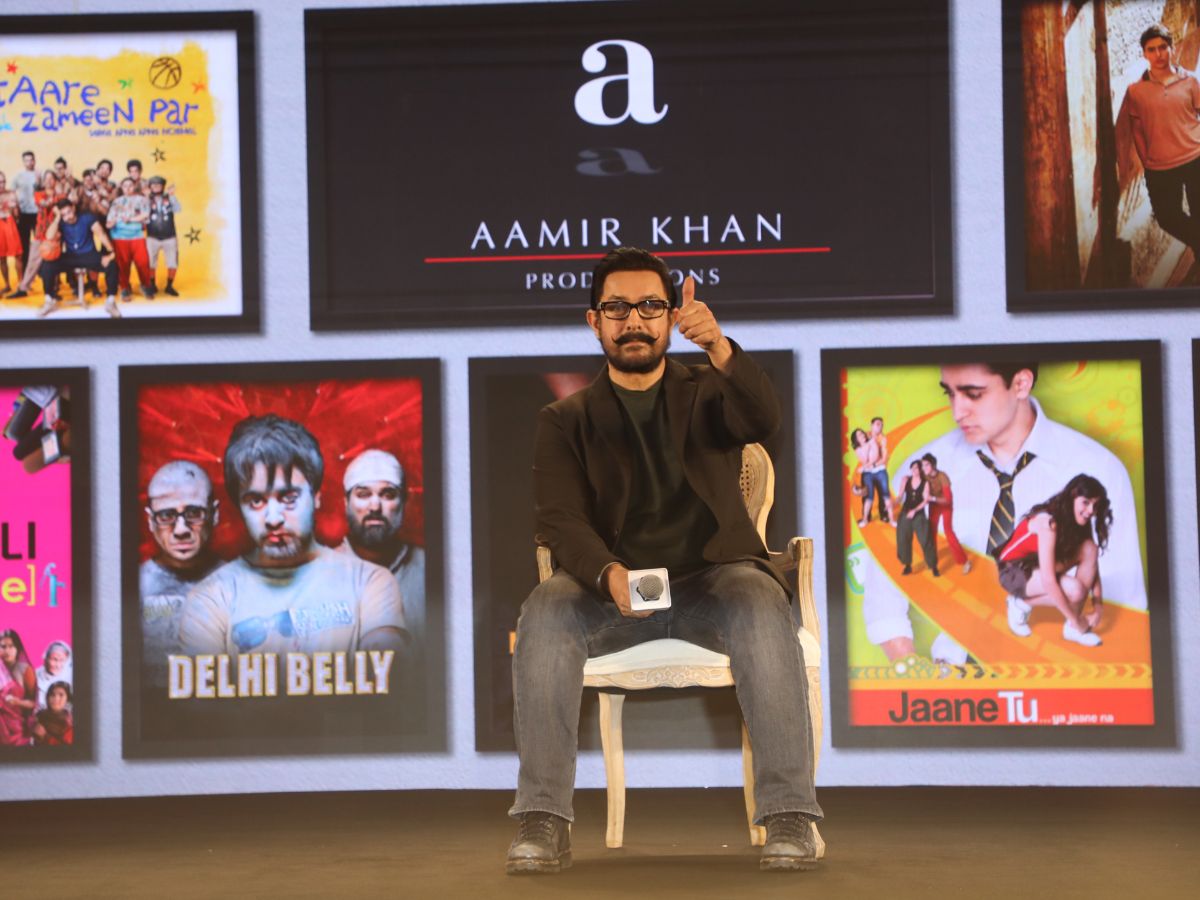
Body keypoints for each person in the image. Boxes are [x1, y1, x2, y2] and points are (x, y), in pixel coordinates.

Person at [505, 247, 822, 875]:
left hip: (714, 580)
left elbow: (765, 419)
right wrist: (607, 574)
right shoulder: (564, 419)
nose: (635, 320)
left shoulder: (710, 391)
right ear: (594, 321)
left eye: (651, 306)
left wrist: (721, 349)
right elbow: (560, 520)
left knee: (761, 598)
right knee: (544, 609)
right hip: (609, 591)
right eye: (617, 308)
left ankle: (790, 816)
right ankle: (542, 819)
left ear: (672, 316)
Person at [862, 361, 1145, 664]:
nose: (957, 412)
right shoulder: (924, 469)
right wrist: (914, 676)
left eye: (974, 394)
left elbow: (1123, 603)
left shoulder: (1098, 469)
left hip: (1061, 677)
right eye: (950, 393)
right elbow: (884, 599)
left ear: (1021, 383)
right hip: (958, 680)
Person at [178, 414, 407, 657]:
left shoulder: (368, 582)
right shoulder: (211, 598)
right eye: (256, 501)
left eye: (288, 498)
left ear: (316, 496)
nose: (273, 518)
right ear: (239, 506)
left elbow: (385, 674)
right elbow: (206, 681)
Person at [997, 474, 1110, 648]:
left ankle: (1072, 629)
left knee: (1090, 549)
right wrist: (1078, 620)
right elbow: (1049, 581)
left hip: (1035, 566)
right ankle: (1019, 604)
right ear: (1073, 496)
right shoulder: (1048, 522)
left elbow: (1092, 563)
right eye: (1086, 502)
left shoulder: (1079, 519)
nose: (1090, 511)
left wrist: (1098, 606)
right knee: (1076, 590)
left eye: (1095, 506)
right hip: (1012, 571)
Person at [140, 461, 221, 690]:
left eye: (194, 513)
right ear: (150, 520)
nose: (181, 530)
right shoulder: (133, 586)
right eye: (166, 516)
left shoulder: (240, 583)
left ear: (215, 514)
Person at [1122, 24, 1200, 257]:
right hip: (1160, 166)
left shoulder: (1190, 81)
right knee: (1167, 218)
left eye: (1163, 47)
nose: (1158, 54)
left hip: (1195, 158)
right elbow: (1137, 129)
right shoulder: (1136, 91)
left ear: (1171, 49)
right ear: (1144, 54)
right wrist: (1146, 161)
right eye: (1152, 49)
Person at [337, 449, 426, 647]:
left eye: (388, 494)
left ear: (404, 502)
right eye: (363, 494)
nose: (375, 507)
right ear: (346, 503)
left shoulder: (431, 569)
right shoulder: (320, 575)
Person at [37, 199, 121, 319]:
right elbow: (49, 236)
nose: (68, 217)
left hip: (89, 254)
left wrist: (111, 252)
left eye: (69, 212)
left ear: (73, 208)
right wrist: (58, 217)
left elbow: (101, 234)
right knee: (47, 265)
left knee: (112, 265)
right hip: (71, 256)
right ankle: (49, 300)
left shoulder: (87, 218)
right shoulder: (60, 221)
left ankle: (110, 302)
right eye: (64, 214)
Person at [922, 452, 970, 574]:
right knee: (931, 532)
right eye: (923, 465)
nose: (924, 468)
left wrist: (932, 498)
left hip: (945, 506)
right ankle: (932, 560)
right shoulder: (925, 476)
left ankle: (964, 561)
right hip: (934, 506)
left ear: (933, 465)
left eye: (926, 465)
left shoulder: (942, 476)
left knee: (948, 532)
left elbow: (948, 499)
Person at [106, 177, 153, 300]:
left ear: (134, 187)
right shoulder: (116, 202)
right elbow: (109, 220)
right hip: (119, 237)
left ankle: (145, 285)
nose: (127, 188)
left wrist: (130, 219)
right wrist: (111, 223)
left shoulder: (142, 200)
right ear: (121, 188)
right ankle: (125, 288)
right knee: (123, 264)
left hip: (137, 235)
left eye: (130, 185)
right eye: (125, 186)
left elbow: (145, 214)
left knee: (143, 262)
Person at [895, 460, 938, 577]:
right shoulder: (905, 480)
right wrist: (894, 502)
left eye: (917, 468)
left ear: (920, 470)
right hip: (906, 512)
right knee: (902, 539)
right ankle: (907, 565)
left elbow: (925, 500)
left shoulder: (925, 483)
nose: (914, 470)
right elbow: (900, 496)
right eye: (912, 468)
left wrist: (914, 511)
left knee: (925, 540)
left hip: (918, 514)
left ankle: (933, 566)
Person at [0, 629, 36, 746]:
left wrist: (17, 702)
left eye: (11, 646)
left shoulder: (25, 670)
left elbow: (33, 703)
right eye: (3, 646)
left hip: (20, 727)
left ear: (18, 649)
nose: (7, 651)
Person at [861, 418, 893, 524]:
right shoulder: (865, 436)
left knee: (883, 493)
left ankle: (884, 515)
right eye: (878, 424)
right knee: (867, 494)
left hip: (879, 470)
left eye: (882, 425)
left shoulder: (883, 439)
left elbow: (884, 458)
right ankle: (866, 517)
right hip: (867, 471)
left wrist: (873, 464)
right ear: (872, 425)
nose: (880, 427)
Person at [12, 151, 39, 269]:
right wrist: (16, 206)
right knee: (24, 242)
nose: (29, 162)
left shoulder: (39, 174)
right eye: (26, 160)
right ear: (23, 162)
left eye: (31, 160)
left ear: (34, 161)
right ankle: (26, 269)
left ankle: (40, 268)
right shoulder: (18, 176)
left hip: (38, 212)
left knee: (40, 241)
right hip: (23, 213)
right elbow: (12, 191)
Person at [0, 171, 24, 295]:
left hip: (10, 223)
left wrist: (15, 207)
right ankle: (7, 285)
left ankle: (21, 284)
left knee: (18, 255)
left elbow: (17, 216)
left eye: (3, 182)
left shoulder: (11, 194)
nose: (2, 185)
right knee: (1, 258)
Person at [31, 681, 73, 746]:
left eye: (61, 695)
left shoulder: (69, 723)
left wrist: (45, 736)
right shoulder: (39, 716)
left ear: (67, 699)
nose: (56, 698)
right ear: (47, 697)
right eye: (52, 694)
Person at [35, 640, 73, 710]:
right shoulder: (35, 675)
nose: (58, 665)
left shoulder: (70, 677)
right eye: (54, 660)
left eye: (62, 660)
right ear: (46, 659)